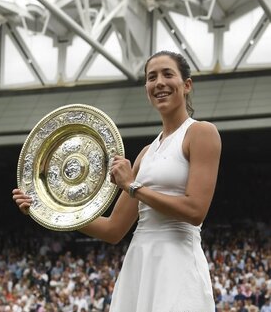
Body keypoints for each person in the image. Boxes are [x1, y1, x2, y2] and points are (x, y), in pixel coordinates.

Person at [12, 50, 222, 311]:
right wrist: (48, 211)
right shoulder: (146, 153)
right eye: (151, 77)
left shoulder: (201, 132)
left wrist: (133, 187)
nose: (159, 83)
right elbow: (113, 230)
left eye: (168, 74)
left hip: (178, 264)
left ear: (186, 85)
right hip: (139, 264)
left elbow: (195, 211)